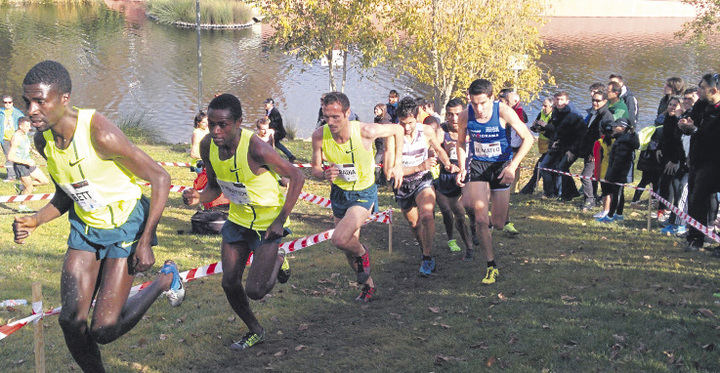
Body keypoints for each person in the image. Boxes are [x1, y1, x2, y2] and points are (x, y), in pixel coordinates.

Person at [12, 60, 183, 372]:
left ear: (64, 99)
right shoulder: (44, 139)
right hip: (87, 227)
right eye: (27, 101)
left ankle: (164, 280)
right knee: (70, 321)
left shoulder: (99, 134)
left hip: (125, 226)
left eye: (40, 101)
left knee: (103, 329)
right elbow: (67, 192)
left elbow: (161, 178)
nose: (31, 110)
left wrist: (146, 241)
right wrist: (35, 220)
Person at [182, 94, 304, 350]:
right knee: (229, 282)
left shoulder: (256, 148)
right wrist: (198, 197)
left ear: (238, 122)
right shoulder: (208, 146)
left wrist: (281, 220)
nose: (216, 131)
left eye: (223, 125)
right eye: (212, 123)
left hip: (267, 222)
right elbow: (214, 188)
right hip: (237, 220)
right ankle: (255, 330)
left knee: (256, 291)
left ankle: (278, 258)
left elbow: (296, 176)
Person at [311, 91, 404, 301]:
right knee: (347, 247)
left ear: (347, 113)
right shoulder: (319, 135)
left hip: (363, 193)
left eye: (336, 117)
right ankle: (368, 286)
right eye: (327, 116)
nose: (331, 122)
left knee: (339, 239)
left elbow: (397, 129)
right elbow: (315, 168)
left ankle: (364, 253)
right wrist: (324, 173)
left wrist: (397, 163)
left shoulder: (365, 131)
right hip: (339, 193)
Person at [456, 79, 533, 285]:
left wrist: (512, 167)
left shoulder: (504, 111)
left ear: (491, 98)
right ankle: (491, 265)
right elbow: (461, 142)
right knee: (481, 218)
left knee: (497, 223)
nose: (478, 108)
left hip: (501, 167)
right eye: (474, 103)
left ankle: (487, 228)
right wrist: (463, 167)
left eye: (482, 103)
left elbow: (529, 138)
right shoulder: (465, 116)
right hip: (478, 166)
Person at [387, 97, 456, 276]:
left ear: (417, 118)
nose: (407, 128)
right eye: (402, 123)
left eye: (410, 123)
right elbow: (390, 172)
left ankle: (427, 257)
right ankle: (424, 248)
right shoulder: (392, 136)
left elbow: (439, 149)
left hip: (422, 180)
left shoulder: (426, 131)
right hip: (403, 184)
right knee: (415, 224)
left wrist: (447, 163)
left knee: (427, 215)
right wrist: (419, 166)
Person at [679, 73, 720, 252]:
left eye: (702, 87)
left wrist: (695, 130)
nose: (698, 90)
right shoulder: (701, 105)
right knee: (695, 199)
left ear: (714, 90)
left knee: (703, 198)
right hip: (697, 160)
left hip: (714, 161)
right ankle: (695, 238)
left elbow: (713, 137)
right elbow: (692, 122)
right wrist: (684, 125)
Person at [433, 98, 474, 259]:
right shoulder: (442, 131)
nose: (454, 118)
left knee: (472, 209)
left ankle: (475, 229)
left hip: (470, 174)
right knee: (455, 213)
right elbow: (434, 148)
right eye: (450, 115)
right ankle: (468, 247)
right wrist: (444, 158)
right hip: (448, 177)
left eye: (457, 114)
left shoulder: (471, 127)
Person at [539, 91, 586, 200]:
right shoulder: (555, 111)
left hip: (570, 146)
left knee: (561, 168)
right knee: (545, 167)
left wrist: (568, 147)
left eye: (562, 100)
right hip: (557, 144)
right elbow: (555, 129)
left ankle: (563, 194)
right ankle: (551, 193)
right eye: (557, 99)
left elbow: (575, 133)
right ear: (554, 101)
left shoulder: (573, 114)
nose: (559, 102)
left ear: (567, 101)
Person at [596, 118, 639, 223]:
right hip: (622, 172)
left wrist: (611, 174)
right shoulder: (623, 139)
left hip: (620, 173)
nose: (613, 128)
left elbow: (619, 161)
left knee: (617, 194)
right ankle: (619, 214)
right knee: (620, 193)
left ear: (623, 128)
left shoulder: (623, 141)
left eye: (616, 126)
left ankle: (610, 216)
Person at [657, 96, 688, 235]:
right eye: (670, 104)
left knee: (673, 187)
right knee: (663, 183)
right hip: (665, 155)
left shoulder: (680, 121)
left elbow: (679, 143)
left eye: (675, 105)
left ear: (680, 107)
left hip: (676, 159)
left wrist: (675, 160)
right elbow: (665, 136)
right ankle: (666, 213)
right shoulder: (668, 119)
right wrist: (658, 147)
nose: (672, 107)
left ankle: (671, 215)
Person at [579, 90, 613, 211]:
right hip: (588, 150)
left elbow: (606, 137)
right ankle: (592, 198)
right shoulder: (595, 112)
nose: (595, 103)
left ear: (604, 101)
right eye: (593, 100)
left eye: (598, 100)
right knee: (592, 176)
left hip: (597, 152)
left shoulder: (606, 116)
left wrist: (596, 153)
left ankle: (589, 200)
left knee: (585, 177)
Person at [7, 116, 49, 212]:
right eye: (26, 126)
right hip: (20, 165)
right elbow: (10, 157)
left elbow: (27, 145)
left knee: (44, 181)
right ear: (20, 126)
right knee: (29, 187)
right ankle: (22, 206)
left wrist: (34, 151)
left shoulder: (24, 134)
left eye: (29, 126)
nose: (29, 128)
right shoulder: (16, 138)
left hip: (29, 163)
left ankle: (21, 187)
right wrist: (26, 162)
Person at [520, 97, 554, 195]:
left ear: (551, 107)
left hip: (551, 146)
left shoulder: (554, 115)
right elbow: (534, 126)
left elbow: (552, 130)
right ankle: (533, 189)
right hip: (542, 145)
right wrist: (538, 128)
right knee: (541, 168)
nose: (543, 108)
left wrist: (543, 127)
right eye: (542, 105)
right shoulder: (541, 113)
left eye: (545, 106)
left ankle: (545, 192)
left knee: (541, 167)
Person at [264, 98, 296, 162]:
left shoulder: (275, 112)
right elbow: (268, 120)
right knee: (276, 144)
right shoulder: (268, 111)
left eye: (266, 103)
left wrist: (268, 123)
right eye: (265, 103)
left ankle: (270, 158)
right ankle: (290, 156)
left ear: (271, 104)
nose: (265, 105)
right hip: (273, 131)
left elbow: (276, 123)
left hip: (279, 132)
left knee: (269, 142)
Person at [1, 94, 24, 181]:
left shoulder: (18, 113)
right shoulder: (1, 112)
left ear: (12, 103)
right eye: (5, 102)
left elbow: (24, 124)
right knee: (8, 157)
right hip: (5, 139)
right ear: (3, 103)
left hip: (16, 138)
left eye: (9, 102)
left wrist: (21, 135)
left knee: (18, 156)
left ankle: (21, 175)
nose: (7, 104)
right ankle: (11, 176)